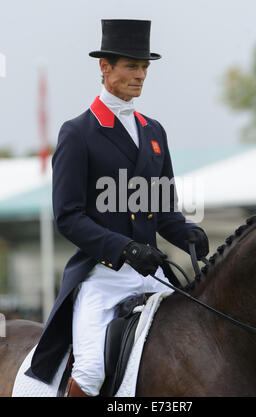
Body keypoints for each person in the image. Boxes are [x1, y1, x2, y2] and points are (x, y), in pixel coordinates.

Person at [25, 19, 209, 397]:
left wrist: (185, 231)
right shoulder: (78, 133)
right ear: (104, 67)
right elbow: (69, 216)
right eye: (131, 66)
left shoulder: (154, 131)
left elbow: (162, 208)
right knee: (91, 371)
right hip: (103, 276)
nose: (140, 75)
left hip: (154, 275)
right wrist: (123, 249)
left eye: (144, 67)